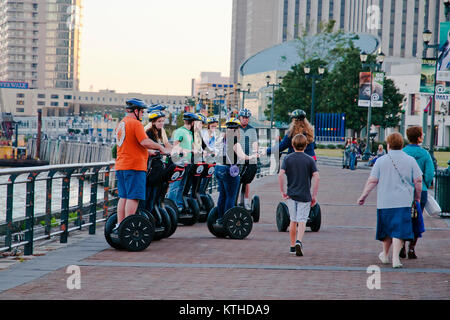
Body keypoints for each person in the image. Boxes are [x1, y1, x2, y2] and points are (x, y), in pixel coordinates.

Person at [357, 132, 423, 268]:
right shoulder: (410, 160)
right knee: (399, 230)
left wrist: (363, 196)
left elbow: (372, 181)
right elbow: (418, 181)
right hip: (404, 201)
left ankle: (385, 255)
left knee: (386, 230)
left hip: (385, 201)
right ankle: (396, 259)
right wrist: (417, 196)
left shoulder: (381, 161)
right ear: (401, 145)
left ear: (388, 145)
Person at [114, 98, 168, 233]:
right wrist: (160, 147)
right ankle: (129, 227)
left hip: (121, 165)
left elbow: (132, 145)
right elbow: (144, 141)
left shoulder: (122, 124)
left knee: (124, 197)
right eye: (142, 111)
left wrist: (149, 152)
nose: (143, 114)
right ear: (136, 111)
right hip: (134, 167)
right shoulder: (135, 124)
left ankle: (120, 225)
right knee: (133, 197)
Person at [278, 133, 320, 256]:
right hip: (305, 195)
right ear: (306, 145)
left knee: (293, 220)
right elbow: (317, 177)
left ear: (292, 144)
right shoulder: (310, 160)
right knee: (302, 220)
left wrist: (282, 191)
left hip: (291, 194)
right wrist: (314, 195)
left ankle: (292, 246)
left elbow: (280, 174)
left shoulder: (287, 159)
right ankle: (299, 241)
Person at [214, 118, 259, 225]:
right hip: (229, 171)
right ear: (237, 130)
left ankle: (220, 218)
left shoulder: (221, 140)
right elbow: (242, 156)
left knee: (222, 195)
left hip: (218, 168)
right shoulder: (235, 141)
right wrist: (253, 156)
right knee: (231, 196)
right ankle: (228, 220)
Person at [401, 126, 435, 259]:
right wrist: (425, 184)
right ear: (419, 137)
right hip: (421, 191)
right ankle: (412, 248)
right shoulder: (425, 154)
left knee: (403, 218)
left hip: (404, 190)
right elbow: (429, 173)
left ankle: (401, 246)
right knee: (417, 218)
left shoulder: (403, 152)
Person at [167, 112, 203, 212]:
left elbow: (192, 146)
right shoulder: (180, 131)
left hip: (187, 163)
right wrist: (189, 151)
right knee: (175, 186)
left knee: (182, 185)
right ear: (192, 122)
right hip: (179, 162)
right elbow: (176, 146)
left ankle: (179, 206)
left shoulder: (190, 133)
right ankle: (171, 206)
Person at [143, 110, 173, 212]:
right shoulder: (149, 132)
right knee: (149, 193)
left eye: (163, 121)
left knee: (156, 192)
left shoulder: (159, 131)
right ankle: (146, 213)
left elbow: (165, 146)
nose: (161, 123)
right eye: (159, 121)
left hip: (158, 166)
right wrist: (155, 151)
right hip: (151, 167)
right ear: (153, 122)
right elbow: (147, 147)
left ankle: (152, 212)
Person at [238, 108, 259, 210]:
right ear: (240, 118)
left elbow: (254, 143)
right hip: (237, 158)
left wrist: (255, 152)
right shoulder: (235, 128)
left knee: (246, 182)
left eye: (247, 118)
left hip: (249, 157)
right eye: (243, 117)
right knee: (236, 180)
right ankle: (234, 201)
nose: (245, 119)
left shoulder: (252, 129)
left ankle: (245, 202)